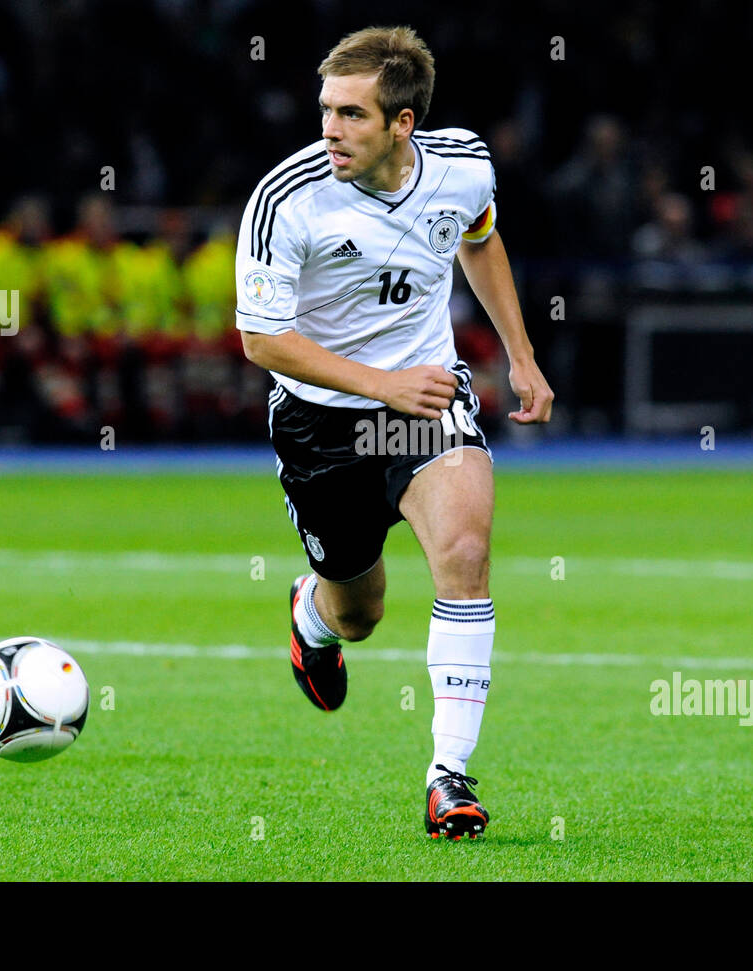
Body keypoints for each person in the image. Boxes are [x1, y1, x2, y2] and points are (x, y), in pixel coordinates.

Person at [234, 25, 553, 840]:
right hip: (319, 424)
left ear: (402, 124)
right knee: (359, 612)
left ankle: (448, 775)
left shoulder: (463, 164)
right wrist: (382, 384)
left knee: (466, 556)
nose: (329, 131)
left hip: (427, 406)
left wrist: (521, 357)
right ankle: (313, 611)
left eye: (351, 115)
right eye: (325, 111)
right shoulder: (285, 199)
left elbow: (478, 239)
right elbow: (262, 340)